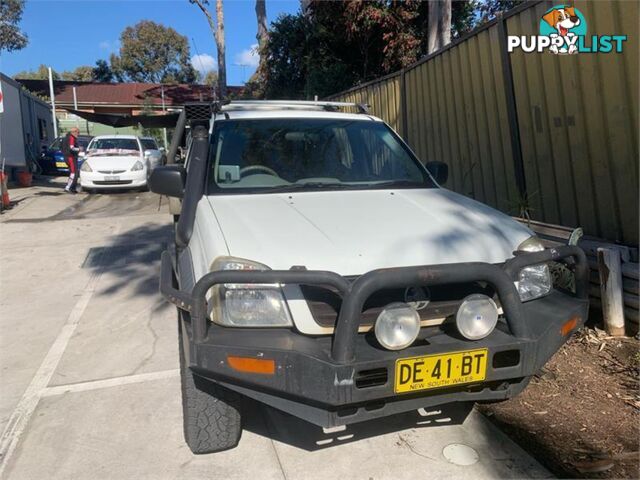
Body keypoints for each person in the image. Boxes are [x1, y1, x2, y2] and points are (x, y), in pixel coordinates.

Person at [61, 127, 81, 193]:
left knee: (74, 173)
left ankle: (72, 188)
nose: (78, 134)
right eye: (78, 132)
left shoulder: (65, 138)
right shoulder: (71, 138)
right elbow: (72, 148)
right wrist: (79, 149)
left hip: (67, 157)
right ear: (74, 132)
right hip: (70, 157)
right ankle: (68, 187)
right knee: (73, 173)